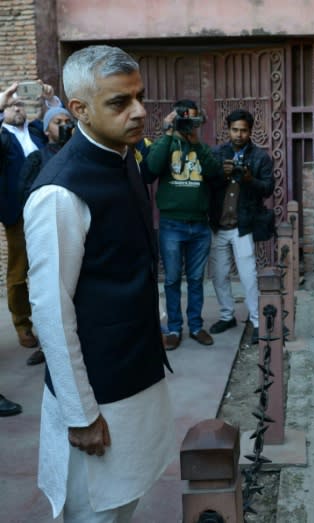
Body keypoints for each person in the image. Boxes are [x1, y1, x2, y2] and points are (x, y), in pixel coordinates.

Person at [24, 44, 174, 521]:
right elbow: (51, 311)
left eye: (139, 97)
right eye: (119, 102)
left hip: (135, 374)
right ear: (80, 110)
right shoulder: (58, 192)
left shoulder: (123, 156)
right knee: (95, 512)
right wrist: (80, 414)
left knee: (125, 502)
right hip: (98, 396)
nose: (139, 111)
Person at [146, 99, 220, 350]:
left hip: (199, 224)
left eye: (193, 119)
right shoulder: (166, 143)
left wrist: (196, 143)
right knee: (172, 279)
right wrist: (168, 132)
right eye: (185, 119)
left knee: (197, 279)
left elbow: (215, 173)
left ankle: (196, 326)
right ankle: (175, 328)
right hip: (172, 225)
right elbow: (151, 168)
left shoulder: (202, 147)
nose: (189, 124)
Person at [0, 81, 60, 351]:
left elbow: (57, 123)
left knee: (50, 267)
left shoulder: (36, 130)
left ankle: (52, 322)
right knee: (18, 271)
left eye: (20, 105)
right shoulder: (2, 136)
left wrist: (49, 98)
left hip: (46, 209)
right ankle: (23, 325)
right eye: (12, 107)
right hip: (18, 213)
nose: (18, 109)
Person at [209, 109, 275, 339]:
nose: (239, 135)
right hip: (218, 225)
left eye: (243, 130)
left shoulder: (260, 157)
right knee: (219, 275)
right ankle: (227, 316)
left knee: (248, 275)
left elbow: (267, 189)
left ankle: (257, 322)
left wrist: (249, 179)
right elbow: (206, 183)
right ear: (228, 130)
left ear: (250, 131)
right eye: (235, 130)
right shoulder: (216, 153)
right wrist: (220, 173)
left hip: (243, 225)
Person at [17, 106, 75, 366]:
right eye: (57, 122)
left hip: (75, 233)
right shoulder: (37, 159)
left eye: (67, 121)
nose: (63, 126)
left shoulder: (80, 157)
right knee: (47, 291)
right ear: (46, 128)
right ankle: (47, 344)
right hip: (47, 233)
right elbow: (25, 193)